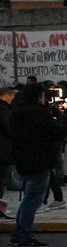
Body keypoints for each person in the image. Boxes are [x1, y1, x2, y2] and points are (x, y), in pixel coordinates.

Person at [8, 84, 67, 247]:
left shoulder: (15, 113)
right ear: (38, 96)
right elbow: (56, 132)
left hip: (23, 160)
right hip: (40, 160)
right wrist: (60, 117)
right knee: (33, 200)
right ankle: (24, 237)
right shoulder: (39, 113)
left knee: (28, 198)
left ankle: (18, 234)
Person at [0, 86, 15, 219]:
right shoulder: (3, 109)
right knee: (1, 180)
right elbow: (9, 128)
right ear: (7, 96)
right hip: (3, 151)